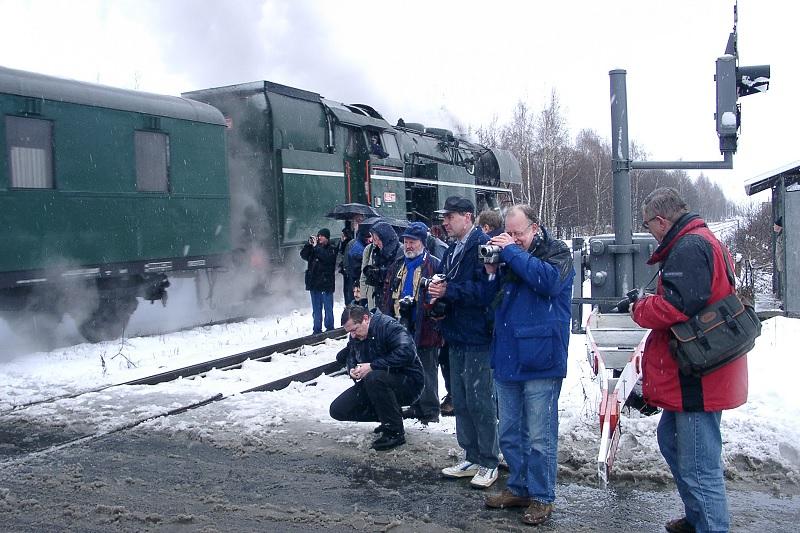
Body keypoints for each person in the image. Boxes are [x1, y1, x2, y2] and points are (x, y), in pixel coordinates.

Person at [631, 187, 748, 533]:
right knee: (672, 440)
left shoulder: (690, 246)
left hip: (700, 374)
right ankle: (698, 518)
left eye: (648, 224)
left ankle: (711, 525)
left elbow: (678, 307)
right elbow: (691, 298)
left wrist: (640, 307)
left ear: (661, 220)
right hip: (702, 367)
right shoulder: (699, 240)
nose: (649, 231)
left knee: (699, 465)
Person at [482, 205, 574, 526]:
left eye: (519, 233)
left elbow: (547, 282)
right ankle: (519, 487)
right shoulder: (509, 254)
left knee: (539, 435)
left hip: (541, 357)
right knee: (509, 432)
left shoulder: (558, 252)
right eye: (510, 233)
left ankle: (541, 496)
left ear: (535, 227)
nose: (514, 239)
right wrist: (491, 272)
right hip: (508, 354)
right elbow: (490, 301)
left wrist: (510, 252)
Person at [427, 196, 500, 489]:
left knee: (481, 399)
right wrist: (436, 291)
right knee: (461, 397)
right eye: (445, 217)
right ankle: (471, 455)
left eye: (451, 216)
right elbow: (450, 282)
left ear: (467, 217)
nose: (445, 222)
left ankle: (489, 460)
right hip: (455, 334)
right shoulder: (453, 248)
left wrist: (449, 291)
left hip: (477, 335)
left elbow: (486, 290)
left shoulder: (482, 245)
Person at [329, 305, 424, 451]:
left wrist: (373, 366)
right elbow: (351, 354)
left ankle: (394, 432)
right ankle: (390, 416)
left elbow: (407, 353)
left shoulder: (388, 326)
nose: (353, 335)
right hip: (376, 381)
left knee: (375, 378)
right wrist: (353, 369)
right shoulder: (356, 334)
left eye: (354, 330)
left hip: (409, 382)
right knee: (338, 409)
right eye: (349, 332)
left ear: (366, 319)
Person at [380, 221, 443, 424]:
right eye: (406, 241)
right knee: (407, 369)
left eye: (412, 242)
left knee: (427, 368)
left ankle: (430, 410)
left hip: (426, 326)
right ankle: (415, 403)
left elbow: (441, 298)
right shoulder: (398, 265)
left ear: (422, 243)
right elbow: (388, 294)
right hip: (400, 326)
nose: (408, 246)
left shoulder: (433, 264)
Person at [300, 228, 337, 334]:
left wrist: (316, 247)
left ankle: (330, 328)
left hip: (326, 284)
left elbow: (326, 258)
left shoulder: (332, 248)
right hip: (314, 284)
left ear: (327, 238)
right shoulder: (314, 248)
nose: (319, 238)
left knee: (328, 308)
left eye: (322, 236)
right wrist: (308, 245)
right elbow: (303, 255)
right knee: (316, 309)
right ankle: (317, 329)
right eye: (318, 235)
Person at [360, 221, 403, 310]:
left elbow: (398, 276)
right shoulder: (374, 250)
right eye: (373, 239)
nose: (375, 242)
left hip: (393, 301)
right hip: (377, 299)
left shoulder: (400, 251)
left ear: (385, 238)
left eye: (377, 239)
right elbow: (363, 276)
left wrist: (381, 273)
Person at [338, 227, 355, 304]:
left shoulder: (348, 244)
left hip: (347, 270)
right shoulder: (346, 243)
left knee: (347, 289)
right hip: (347, 270)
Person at [774, 216, 784, 301]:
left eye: (775, 225)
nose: (773, 226)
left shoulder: (782, 236)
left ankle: (785, 301)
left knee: (785, 284)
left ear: (779, 226)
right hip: (781, 263)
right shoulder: (780, 235)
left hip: (784, 264)